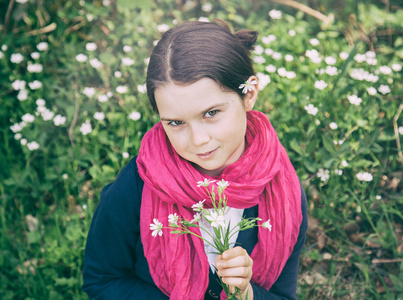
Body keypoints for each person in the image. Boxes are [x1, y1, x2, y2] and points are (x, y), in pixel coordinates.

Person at [82, 19, 308, 300]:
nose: (198, 139)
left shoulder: (282, 193)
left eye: (211, 113)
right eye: (176, 122)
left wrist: (248, 294)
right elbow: (101, 280)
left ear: (249, 94)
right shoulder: (136, 186)